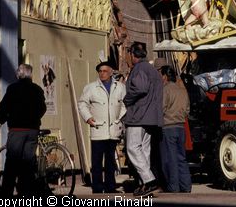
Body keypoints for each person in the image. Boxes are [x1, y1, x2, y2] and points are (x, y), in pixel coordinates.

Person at [0, 64, 46, 196]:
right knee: (28, 162)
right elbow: (43, 108)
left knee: (12, 162)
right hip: (32, 130)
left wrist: (1, 119)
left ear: (19, 74)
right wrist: (35, 119)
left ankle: (6, 193)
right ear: (31, 75)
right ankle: (26, 191)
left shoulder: (12, 88)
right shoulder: (37, 89)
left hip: (17, 129)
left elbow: (4, 107)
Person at [78, 61, 126, 194]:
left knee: (111, 160)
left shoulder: (120, 87)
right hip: (98, 128)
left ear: (111, 72)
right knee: (97, 161)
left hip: (113, 129)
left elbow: (125, 104)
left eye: (105, 71)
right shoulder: (91, 87)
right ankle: (97, 187)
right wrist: (88, 117)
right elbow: (82, 104)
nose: (102, 73)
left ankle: (110, 186)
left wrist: (119, 117)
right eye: (100, 71)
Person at [123, 42, 163, 197]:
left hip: (138, 115)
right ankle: (145, 185)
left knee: (132, 148)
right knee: (144, 150)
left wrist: (127, 99)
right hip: (151, 116)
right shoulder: (153, 70)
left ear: (133, 55)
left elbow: (140, 88)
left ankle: (149, 181)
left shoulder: (139, 68)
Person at [159, 65, 192, 193]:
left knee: (170, 159)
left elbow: (161, 108)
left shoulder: (165, 90)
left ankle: (173, 187)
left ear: (165, 76)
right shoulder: (182, 90)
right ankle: (186, 186)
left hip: (168, 127)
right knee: (181, 158)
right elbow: (187, 110)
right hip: (181, 126)